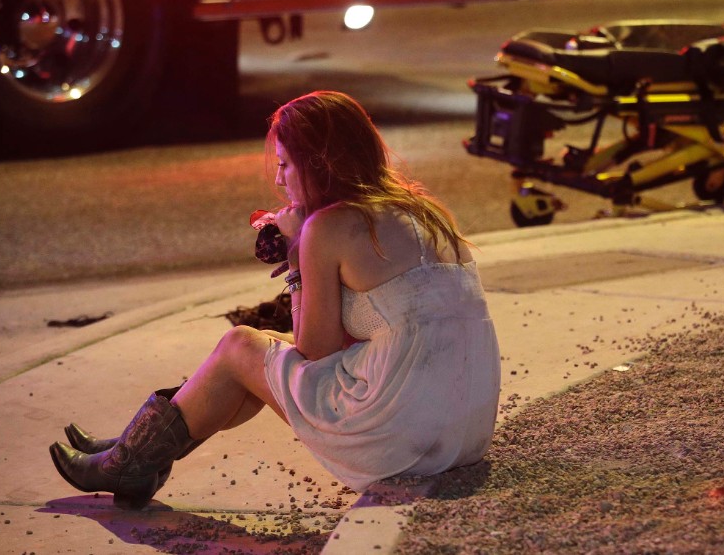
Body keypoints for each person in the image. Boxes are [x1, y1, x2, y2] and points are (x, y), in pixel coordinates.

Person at [49, 91, 502, 509]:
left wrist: (297, 257)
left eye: (286, 164)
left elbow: (314, 352)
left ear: (320, 161)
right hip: (465, 430)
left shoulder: (328, 227)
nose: (279, 178)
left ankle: (130, 460)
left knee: (240, 347)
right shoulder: (424, 212)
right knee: (259, 352)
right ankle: (131, 456)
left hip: (401, 436)